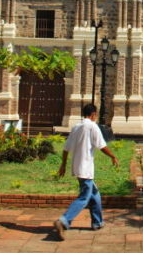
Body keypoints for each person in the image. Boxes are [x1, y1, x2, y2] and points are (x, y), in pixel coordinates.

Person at [53, 103, 119, 240]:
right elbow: (102, 146)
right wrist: (113, 156)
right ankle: (64, 220)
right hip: (86, 168)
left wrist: (63, 165)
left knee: (94, 194)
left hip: (77, 167)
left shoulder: (76, 127)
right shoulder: (92, 126)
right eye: (96, 114)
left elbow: (66, 148)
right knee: (84, 197)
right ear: (94, 114)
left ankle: (97, 222)